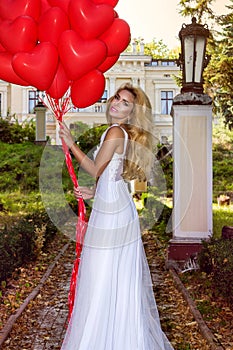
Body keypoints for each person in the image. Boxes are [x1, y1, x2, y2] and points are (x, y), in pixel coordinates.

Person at [59, 83, 174, 350]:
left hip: (113, 216)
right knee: (111, 277)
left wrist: (71, 144)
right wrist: (95, 192)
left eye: (125, 103)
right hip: (113, 208)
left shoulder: (115, 131)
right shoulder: (119, 132)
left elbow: (97, 167)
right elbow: (111, 174)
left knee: (102, 277)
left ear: (132, 113)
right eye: (117, 98)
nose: (116, 104)